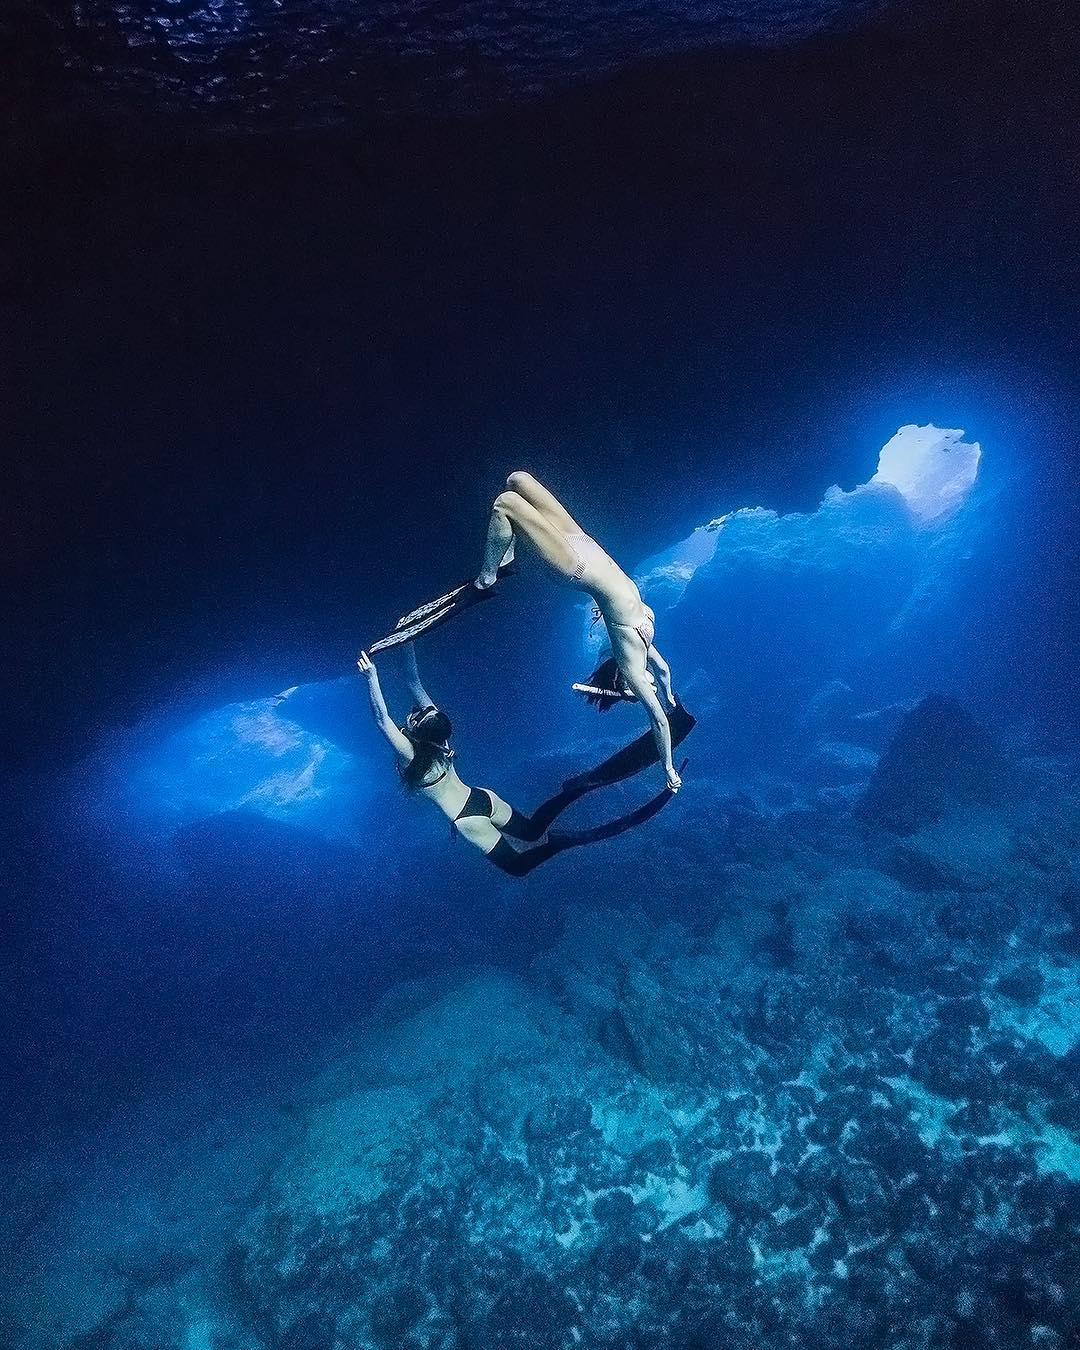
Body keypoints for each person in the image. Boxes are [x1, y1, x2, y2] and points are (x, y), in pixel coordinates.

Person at [356, 646, 679, 875]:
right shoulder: (439, 737)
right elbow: (414, 683)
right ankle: (574, 790)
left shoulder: (412, 754)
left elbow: (383, 720)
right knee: (533, 828)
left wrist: (372, 676)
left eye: (415, 716)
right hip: (480, 797)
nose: (414, 713)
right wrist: (408, 641)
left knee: (519, 867)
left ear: (416, 729)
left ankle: (559, 843)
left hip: (467, 819)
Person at [475, 472, 681, 791]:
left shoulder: (629, 664)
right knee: (518, 479)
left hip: (575, 566)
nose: (650, 687)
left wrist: (668, 768)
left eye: (643, 690)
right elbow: (664, 671)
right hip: (582, 541)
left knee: (505, 503)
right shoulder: (644, 647)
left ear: (622, 679)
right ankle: (510, 550)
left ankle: (486, 578)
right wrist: (670, 699)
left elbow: (657, 720)